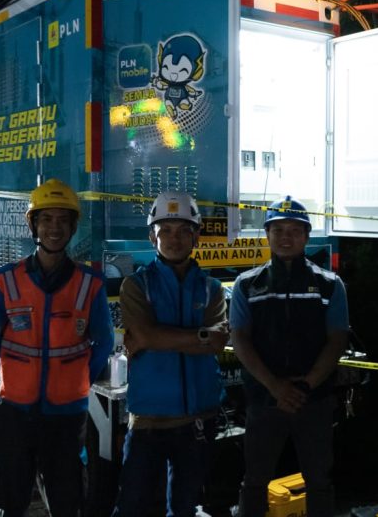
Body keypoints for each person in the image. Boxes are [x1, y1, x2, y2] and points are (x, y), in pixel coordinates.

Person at [0, 178, 114, 517]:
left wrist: (75, 378)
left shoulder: (89, 284)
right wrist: (20, 375)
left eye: (62, 220)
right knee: (10, 500)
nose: (54, 228)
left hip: (66, 416)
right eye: (46, 219)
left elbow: (104, 342)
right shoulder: (7, 280)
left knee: (67, 501)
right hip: (15, 411)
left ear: (72, 227)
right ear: (34, 225)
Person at [111, 191, 229, 516]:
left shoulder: (212, 288)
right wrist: (200, 336)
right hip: (148, 421)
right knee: (131, 506)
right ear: (153, 237)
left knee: (184, 508)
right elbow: (146, 335)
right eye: (166, 230)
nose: (174, 239)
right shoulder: (136, 286)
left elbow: (218, 342)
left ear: (196, 236)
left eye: (183, 230)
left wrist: (158, 337)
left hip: (197, 420)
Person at [230, 196, 349, 517]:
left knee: (319, 481)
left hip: (314, 400)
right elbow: (239, 339)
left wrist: (306, 386)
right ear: (267, 234)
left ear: (307, 236)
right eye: (278, 230)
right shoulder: (247, 284)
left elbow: (337, 340)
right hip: (264, 400)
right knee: (254, 480)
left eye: (295, 230)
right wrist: (275, 386)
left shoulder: (329, 284)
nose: (286, 237)